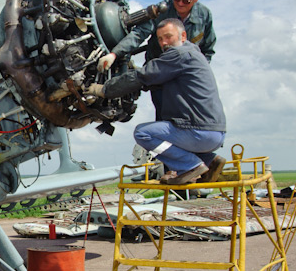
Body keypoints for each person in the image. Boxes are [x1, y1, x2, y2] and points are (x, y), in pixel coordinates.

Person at [90, 18, 226, 185]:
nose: (164, 43)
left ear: (183, 36)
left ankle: (190, 166)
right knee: (169, 135)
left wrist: (104, 89)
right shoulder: (194, 54)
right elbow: (152, 79)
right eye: (160, 39)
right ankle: (210, 161)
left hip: (198, 132)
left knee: (143, 133)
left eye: (168, 36)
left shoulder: (178, 55)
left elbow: (143, 76)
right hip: (215, 132)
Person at [99, 0, 216, 70]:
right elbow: (139, 34)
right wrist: (114, 54)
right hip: (159, 71)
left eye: (186, 1)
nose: (180, 3)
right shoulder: (161, 10)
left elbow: (208, 49)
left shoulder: (204, 15)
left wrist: (200, 70)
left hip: (186, 73)